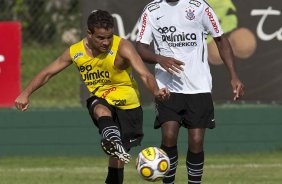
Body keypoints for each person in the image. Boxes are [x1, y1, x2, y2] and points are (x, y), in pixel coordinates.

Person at [15, 9, 169, 184]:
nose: (106, 42)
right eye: (100, 38)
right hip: (102, 99)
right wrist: (25, 93)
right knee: (100, 109)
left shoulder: (122, 46)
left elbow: (144, 74)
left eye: (109, 37)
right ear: (89, 34)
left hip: (128, 104)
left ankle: (113, 148)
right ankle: (111, 137)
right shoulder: (76, 52)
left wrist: (156, 90)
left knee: (117, 158)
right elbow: (48, 72)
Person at [136, 0, 244, 183]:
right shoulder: (152, 9)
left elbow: (221, 39)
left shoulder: (199, 6)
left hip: (198, 86)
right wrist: (159, 58)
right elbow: (141, 47)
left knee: (196, 142)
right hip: (167, 87)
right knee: (169, 136)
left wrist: (234, 75)